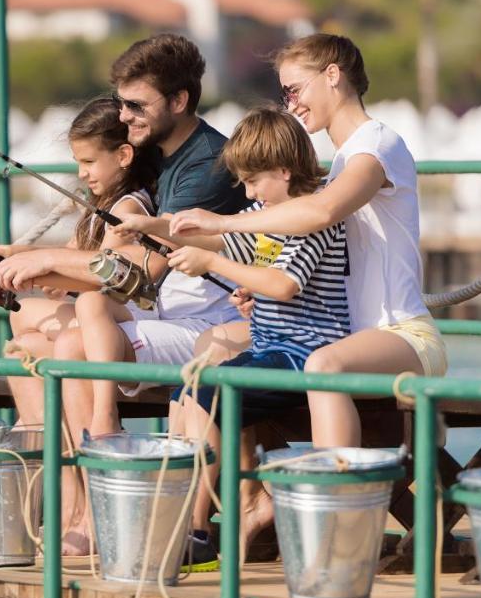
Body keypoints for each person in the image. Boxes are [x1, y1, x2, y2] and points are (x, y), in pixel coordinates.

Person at [0, 33, 249, 553]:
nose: (124, 114)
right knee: (25, 346)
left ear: (179, 101)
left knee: (68, 342)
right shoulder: (157, 152)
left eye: (136, 105)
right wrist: (32, 260)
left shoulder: (207, 165)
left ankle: (92, 513)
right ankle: (73, 504)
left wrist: (44, 260)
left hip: (211, 325)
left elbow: (141, 271)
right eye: (122, 102)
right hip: (169, 316)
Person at [165, 33, 448, 453]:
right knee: (210, 349)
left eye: (294, 90)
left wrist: (221, 223)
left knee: (322, 365)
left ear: (332, 75)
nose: (290, 104)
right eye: (284, 95)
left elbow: (319, 214)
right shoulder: (340, 163)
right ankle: (236, 499)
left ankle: (333, 503)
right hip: (344, 334)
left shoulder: (376, 147)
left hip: (401, 334)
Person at [123, 106, 351, 556]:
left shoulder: (310, 221)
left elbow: (284, 284)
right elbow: (219, 238)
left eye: (253, 181)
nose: (247, 194)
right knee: (185, 390)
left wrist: (215, 265)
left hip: (304, 351)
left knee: (211, 394)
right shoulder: (264, 214)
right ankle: (190, 513)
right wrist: (152, 227)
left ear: (284, 171)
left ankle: (196, 527)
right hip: (270, 346)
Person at [0, 96, 161, 427]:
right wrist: (22, 258)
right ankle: (42, 434)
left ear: (124, 155)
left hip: (128, 314)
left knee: (36, 319)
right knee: (22, 343)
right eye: (77, 162)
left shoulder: (127, 209)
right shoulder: (99, 206)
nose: (81, 173)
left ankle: (45, 435)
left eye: (88, 162)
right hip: (102, 312)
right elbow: (73, 257)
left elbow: (104, 278)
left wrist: (46, 273)